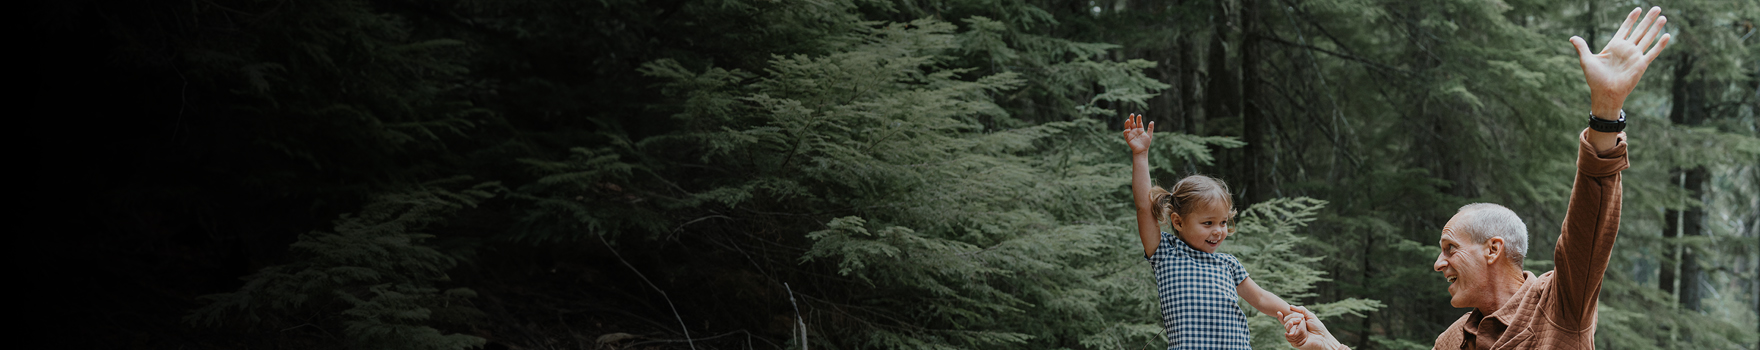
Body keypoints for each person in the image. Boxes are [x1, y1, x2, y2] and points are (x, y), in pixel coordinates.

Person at [1278, 6, 1673, 350]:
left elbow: (1588, 229)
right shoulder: (1450, 342)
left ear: (1492, 249)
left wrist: (1606, 111)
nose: (1438, 263)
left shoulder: (1559, 304)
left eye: (1450, 248)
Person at [1122, 113, 1315, 349]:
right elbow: (1144, 207)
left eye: (1223, 222)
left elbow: (1262, 297)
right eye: (1208, 223)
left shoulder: (1228, 264)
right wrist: (1140, 154)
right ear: (1178, 222)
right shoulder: (1165, 254)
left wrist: (1295, 316)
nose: (1218, 231)